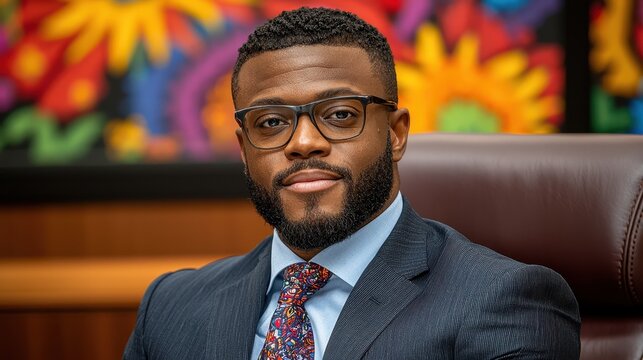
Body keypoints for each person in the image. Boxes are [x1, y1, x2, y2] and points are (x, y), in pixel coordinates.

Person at [123, 7, 580, 360]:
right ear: (244, 150)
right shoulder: (172, 308)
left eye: (340, 115)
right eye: (270, 122)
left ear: (396, 133)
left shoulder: (501, 302)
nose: (303, 143)